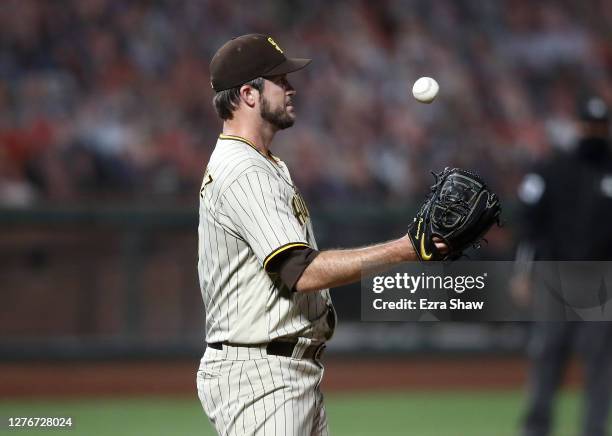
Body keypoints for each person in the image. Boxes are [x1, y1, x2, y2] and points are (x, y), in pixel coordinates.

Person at [195, 33, 446, 436]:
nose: (292, 88)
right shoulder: (244, 171)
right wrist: (405, 249)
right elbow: (300, 272)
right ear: (249, 94)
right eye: (280, 80)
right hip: (262, 377)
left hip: (284, 370)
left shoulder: (263, 163)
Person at [512, 96, 612, 436]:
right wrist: (523, 272)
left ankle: (593, 431)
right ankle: (536, 429)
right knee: (547, 356)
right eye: (589, 125)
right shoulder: (552, 169)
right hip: (555, 278)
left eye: (601, 126)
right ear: (578, 126)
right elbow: (529, 224)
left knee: (599, 364)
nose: (595, 132)